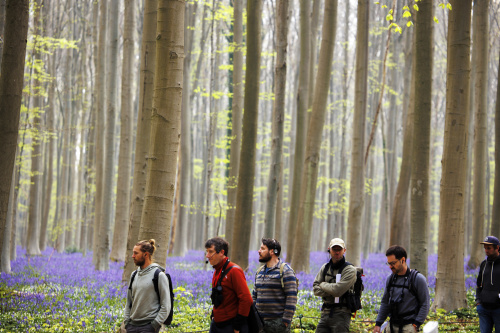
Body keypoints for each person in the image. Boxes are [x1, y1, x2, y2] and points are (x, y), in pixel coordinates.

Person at [373, 245, 430, 333]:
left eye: (393, 263)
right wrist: (378, 324)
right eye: (389, 263)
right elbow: (385, 303)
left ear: (403, 260)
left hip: (409, 327)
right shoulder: (390, 279)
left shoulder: (418, 279)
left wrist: (416, 324)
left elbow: (425, 304)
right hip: (391, 325)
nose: (390, 266)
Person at [205, 237, 253, 333]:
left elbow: (246, 299)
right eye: (207, 252)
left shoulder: (234, 271)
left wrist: (237, 326)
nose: (207, 255)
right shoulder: (217, 271)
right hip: (217, 325)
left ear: (222, 252)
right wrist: (213, 315)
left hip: (230, 326)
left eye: (211, 252)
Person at [122, 239, 171, 333]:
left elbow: (166, 305)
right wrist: (127, 322)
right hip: (131, 326)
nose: (133, 256)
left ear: (146, 255)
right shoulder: (134, 275)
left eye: (136, 253)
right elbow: (129, 302)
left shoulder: (159, 275)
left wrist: (154, 324)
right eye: (133, 253)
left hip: (149, 327)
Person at [252, 238, 298, 332]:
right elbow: (254, 295)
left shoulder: (285, 271)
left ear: (271, 251)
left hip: (278, 324)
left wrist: (285, 321)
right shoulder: (259, 272)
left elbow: (291, 297)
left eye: (262, 248)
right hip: (259, 323)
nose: (259, 251)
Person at [313, 238, 357, 333]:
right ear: (329, 250)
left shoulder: (350, 270)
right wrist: (332, 291)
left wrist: (323, 284)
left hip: (342, 314)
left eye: (339, 249)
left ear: (344, 250)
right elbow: (315, 289)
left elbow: (337, 291)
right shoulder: (325, 268)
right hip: (325, 313)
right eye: (334, 249)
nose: (337, 252)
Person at [476, 235, 500, 333]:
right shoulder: (483, 264)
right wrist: (478, 302)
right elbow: (479, 284)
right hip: (484, 309)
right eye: (485, 248)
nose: (486, 250)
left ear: (497, 248)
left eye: (489, 248)